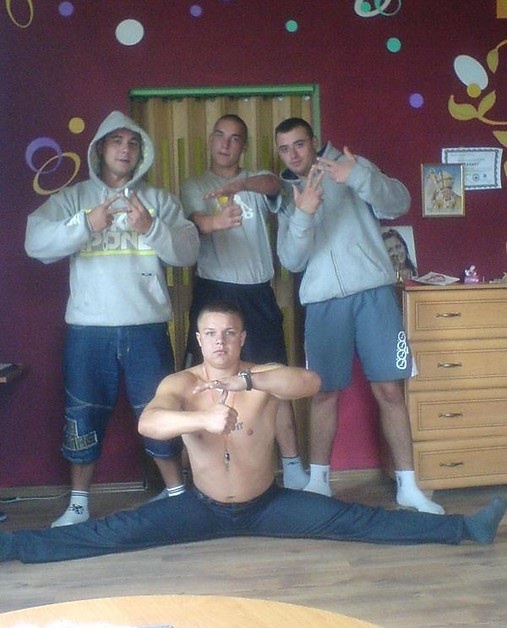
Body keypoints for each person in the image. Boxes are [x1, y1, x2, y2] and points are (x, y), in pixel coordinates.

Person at [0, 301, 504, 564]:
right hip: (200, 507)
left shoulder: (262, 376)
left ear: (241, 338)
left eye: (229, 333)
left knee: (361, 521)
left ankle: (466, 529)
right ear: (198, 339)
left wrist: (246, 382)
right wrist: (201, 420)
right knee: (109, 534)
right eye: (210, 333)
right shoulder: (181, 383)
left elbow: (310, 383)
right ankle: (14, 547)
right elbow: (148, 422)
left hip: (267, 504)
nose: (219, 342)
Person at [24, 111, 200, 527]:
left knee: (161, 410)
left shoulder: (158, 201)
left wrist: (151, 227)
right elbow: (35, 242)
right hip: (89, 331)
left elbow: (188, 251)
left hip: (146, 328)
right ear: (100, 147)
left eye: (133, 142)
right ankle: (79, 505)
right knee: (82, 413)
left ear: (142, 152)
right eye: (117, 141)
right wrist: (87, 223)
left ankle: (177, 495)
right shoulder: (74, 198)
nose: (125, 149)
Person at [274, 117, 444, 514]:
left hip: (373, 294)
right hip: (323, 303)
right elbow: (290, 260)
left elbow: (399, 202)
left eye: (299, 144)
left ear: (314, 141)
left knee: (390, 392)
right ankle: (319, 485)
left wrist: (358, 177)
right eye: (284, 148)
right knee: (323, 393)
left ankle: (408, 487)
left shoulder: (351, 166)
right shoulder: (286, 196)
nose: (293, 154)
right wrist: (303, 214)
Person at [180, 114, 308, 490]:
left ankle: (293, 466)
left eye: (235, 138)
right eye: (220, 136)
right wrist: (215, 222)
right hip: (214, 291)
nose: (226, 144)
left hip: (258, 293)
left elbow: (274, 184)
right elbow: (194, 220)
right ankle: (204, 474)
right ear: (210, 140)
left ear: (244, 147)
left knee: (273, 379)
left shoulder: (257, 181)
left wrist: (242, 184)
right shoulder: (195, 184)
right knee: (207, 383)